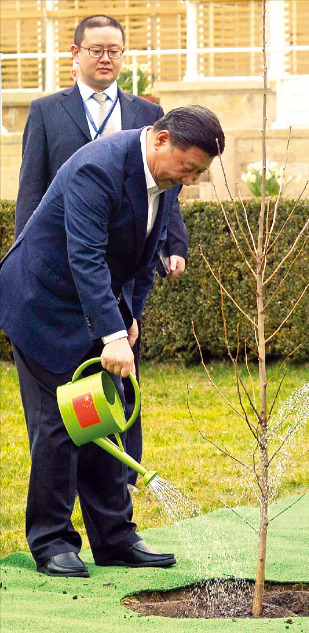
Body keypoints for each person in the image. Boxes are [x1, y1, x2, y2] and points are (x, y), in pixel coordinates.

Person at [0, 105, 225, 578]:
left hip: (94, 306)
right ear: (161, 140)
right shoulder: (96, 168)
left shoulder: (164, 182)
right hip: (42, 303)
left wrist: (129, 318)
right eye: (189, 168)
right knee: (60, 426)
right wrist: (112, 333)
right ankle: (52, 542)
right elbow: (84, 255)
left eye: (199, 173)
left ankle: (116, 539)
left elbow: (144, 255)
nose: (189, 180)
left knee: (106, 421)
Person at [14, 14, 189, 490]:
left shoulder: (149, 114)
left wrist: (175, 243)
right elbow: (32, 190)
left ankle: (121, 484)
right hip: (58, 270)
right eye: (96, 49)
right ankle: (58, 483)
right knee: (57, 402)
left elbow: (166, 187)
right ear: (75, 55)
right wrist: (25, 261)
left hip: (113, 276)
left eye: (115, 49)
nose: (106, 57)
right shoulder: (48, 110)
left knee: (116, 372)